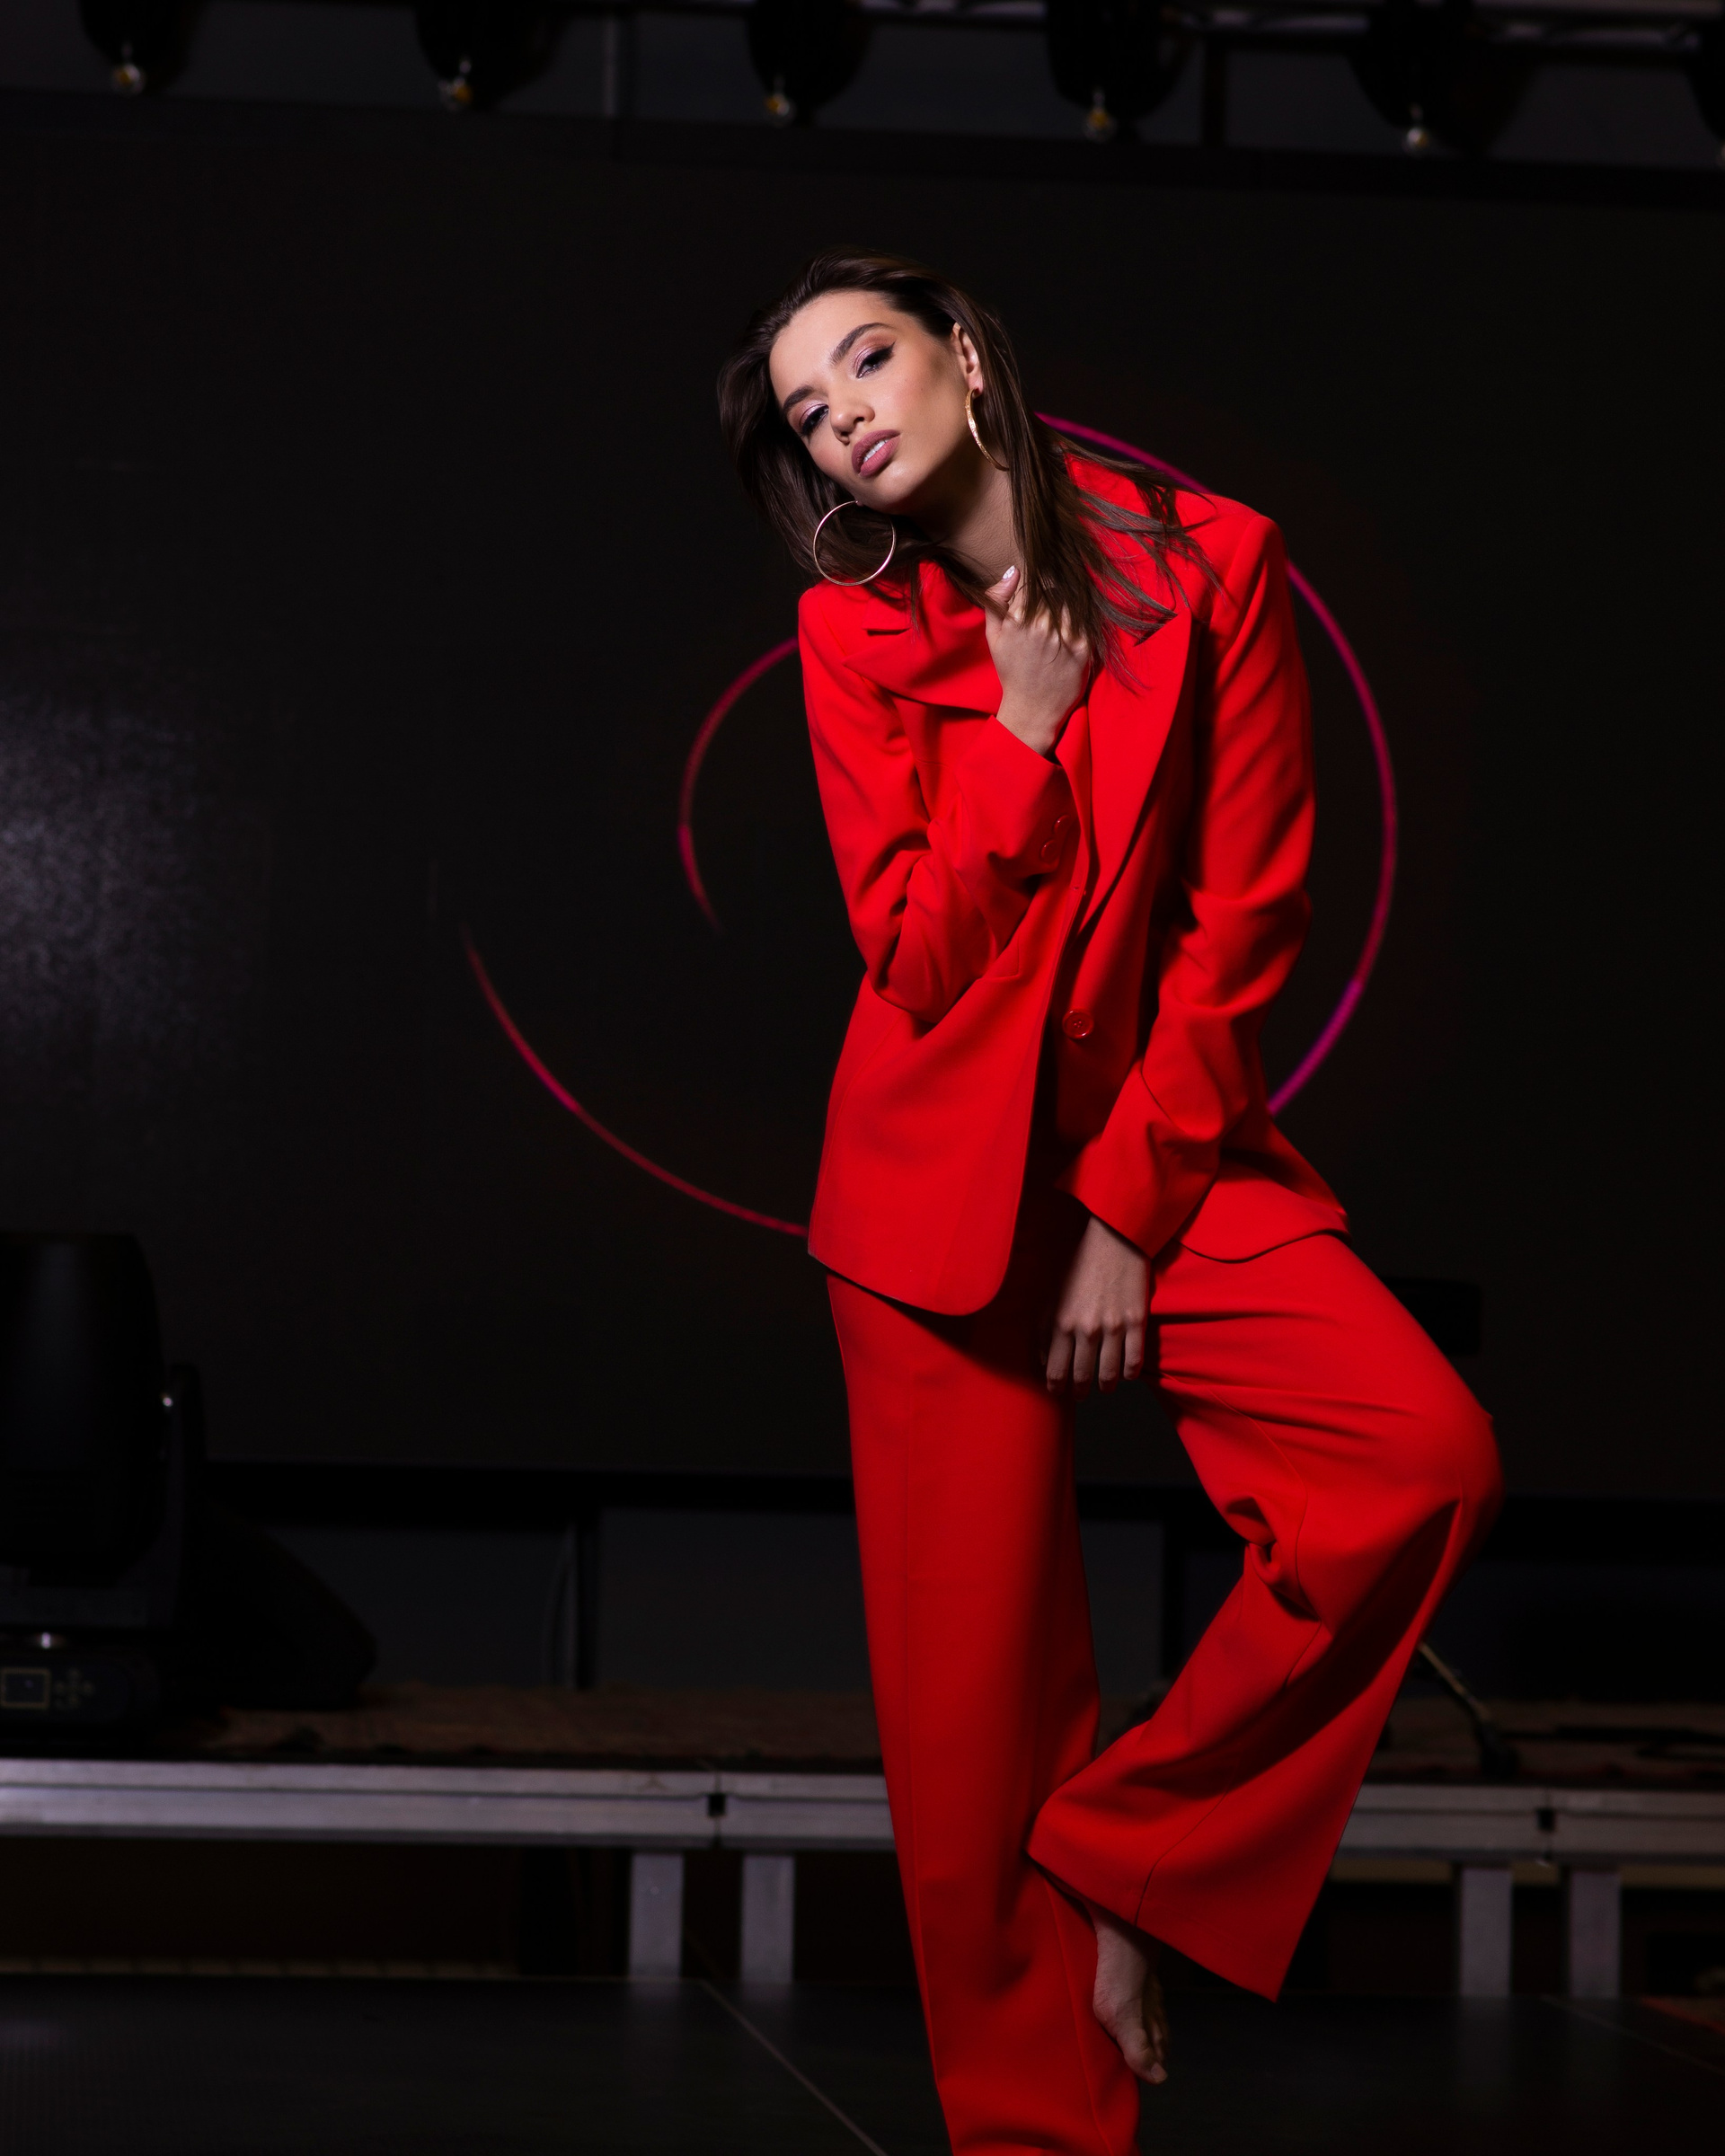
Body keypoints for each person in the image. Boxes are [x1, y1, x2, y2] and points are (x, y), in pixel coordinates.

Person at [718, 249, 1501, 2156]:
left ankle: (1130, 1859)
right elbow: (913, 955)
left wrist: (1133, 1216)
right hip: (926, 1208)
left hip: (1161, 1149)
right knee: (972, 1738)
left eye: (868, 360)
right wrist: (1020, 727)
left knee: (1418, 1461)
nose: (847, 416)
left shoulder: (1215, 561)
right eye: (812, 412)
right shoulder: (852, 633)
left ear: (966, 354)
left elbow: (1249, 920)